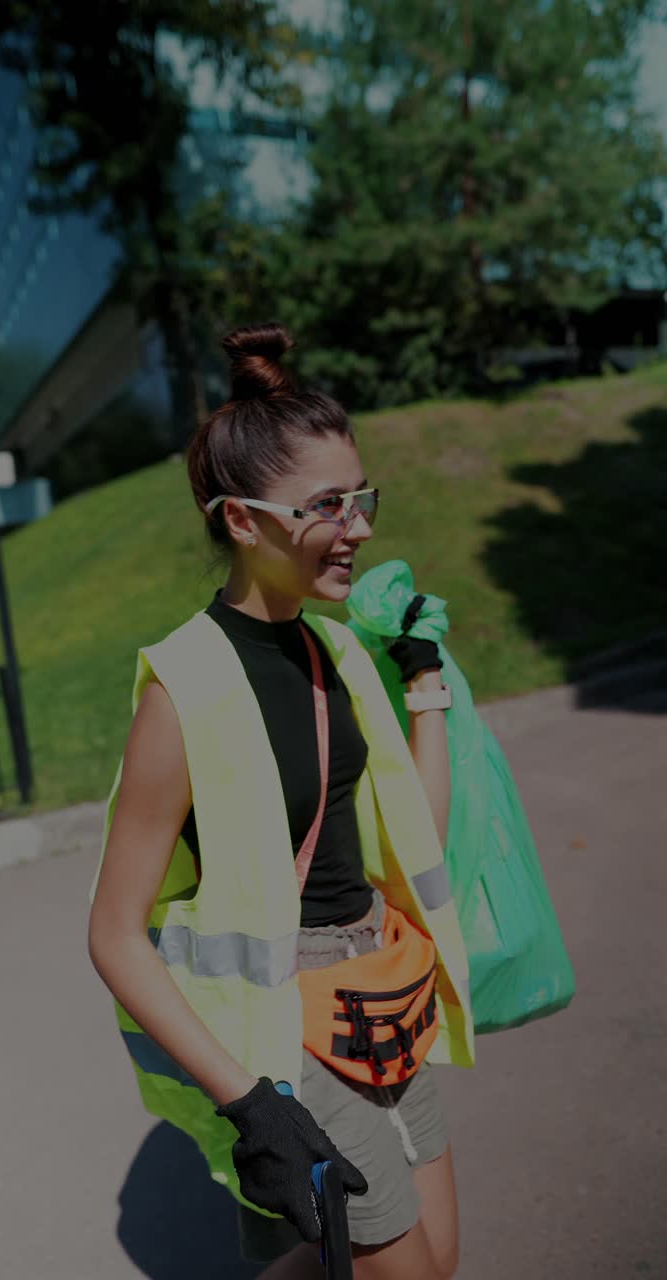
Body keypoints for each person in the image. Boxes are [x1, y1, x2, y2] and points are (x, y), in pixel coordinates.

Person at [88, 323, 474, 1280]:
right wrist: (248, 1103)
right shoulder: (182, 692)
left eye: (362, 497)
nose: (362, 527)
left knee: (443, 1259)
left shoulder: (337, 650)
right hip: (285, 1033)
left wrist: (422, 684)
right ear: (242, 520)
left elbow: (413, 836)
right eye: (329, 506)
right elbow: (112, 933)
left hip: (387, 997)